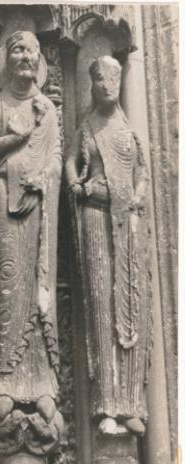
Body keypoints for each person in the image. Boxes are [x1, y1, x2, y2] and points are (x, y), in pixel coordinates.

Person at [66, 56, 152, 435]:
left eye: (112, 80)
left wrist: (138, 194)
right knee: (102, 304)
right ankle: (106, 405)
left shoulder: (129, 129)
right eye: (100, 80)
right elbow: (70, 162)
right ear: (92, 85)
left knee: (132, 303)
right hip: (96, 216)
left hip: (128, 221)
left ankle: (132, 402)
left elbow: (143, 171)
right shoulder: (87, 127)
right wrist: (76, 184)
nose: (106, 86)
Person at [0, 31, 62, 419]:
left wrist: (43, 178)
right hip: (3, 202)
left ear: (39, 58)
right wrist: (15, 138)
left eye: (31, 49)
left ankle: (43, 382)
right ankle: (5, 379)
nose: (25, 56)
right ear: (6, 59)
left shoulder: (47, 108)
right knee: (7, 287)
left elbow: (57, 158)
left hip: (38, 201)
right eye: (17, 49)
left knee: (36, 285)